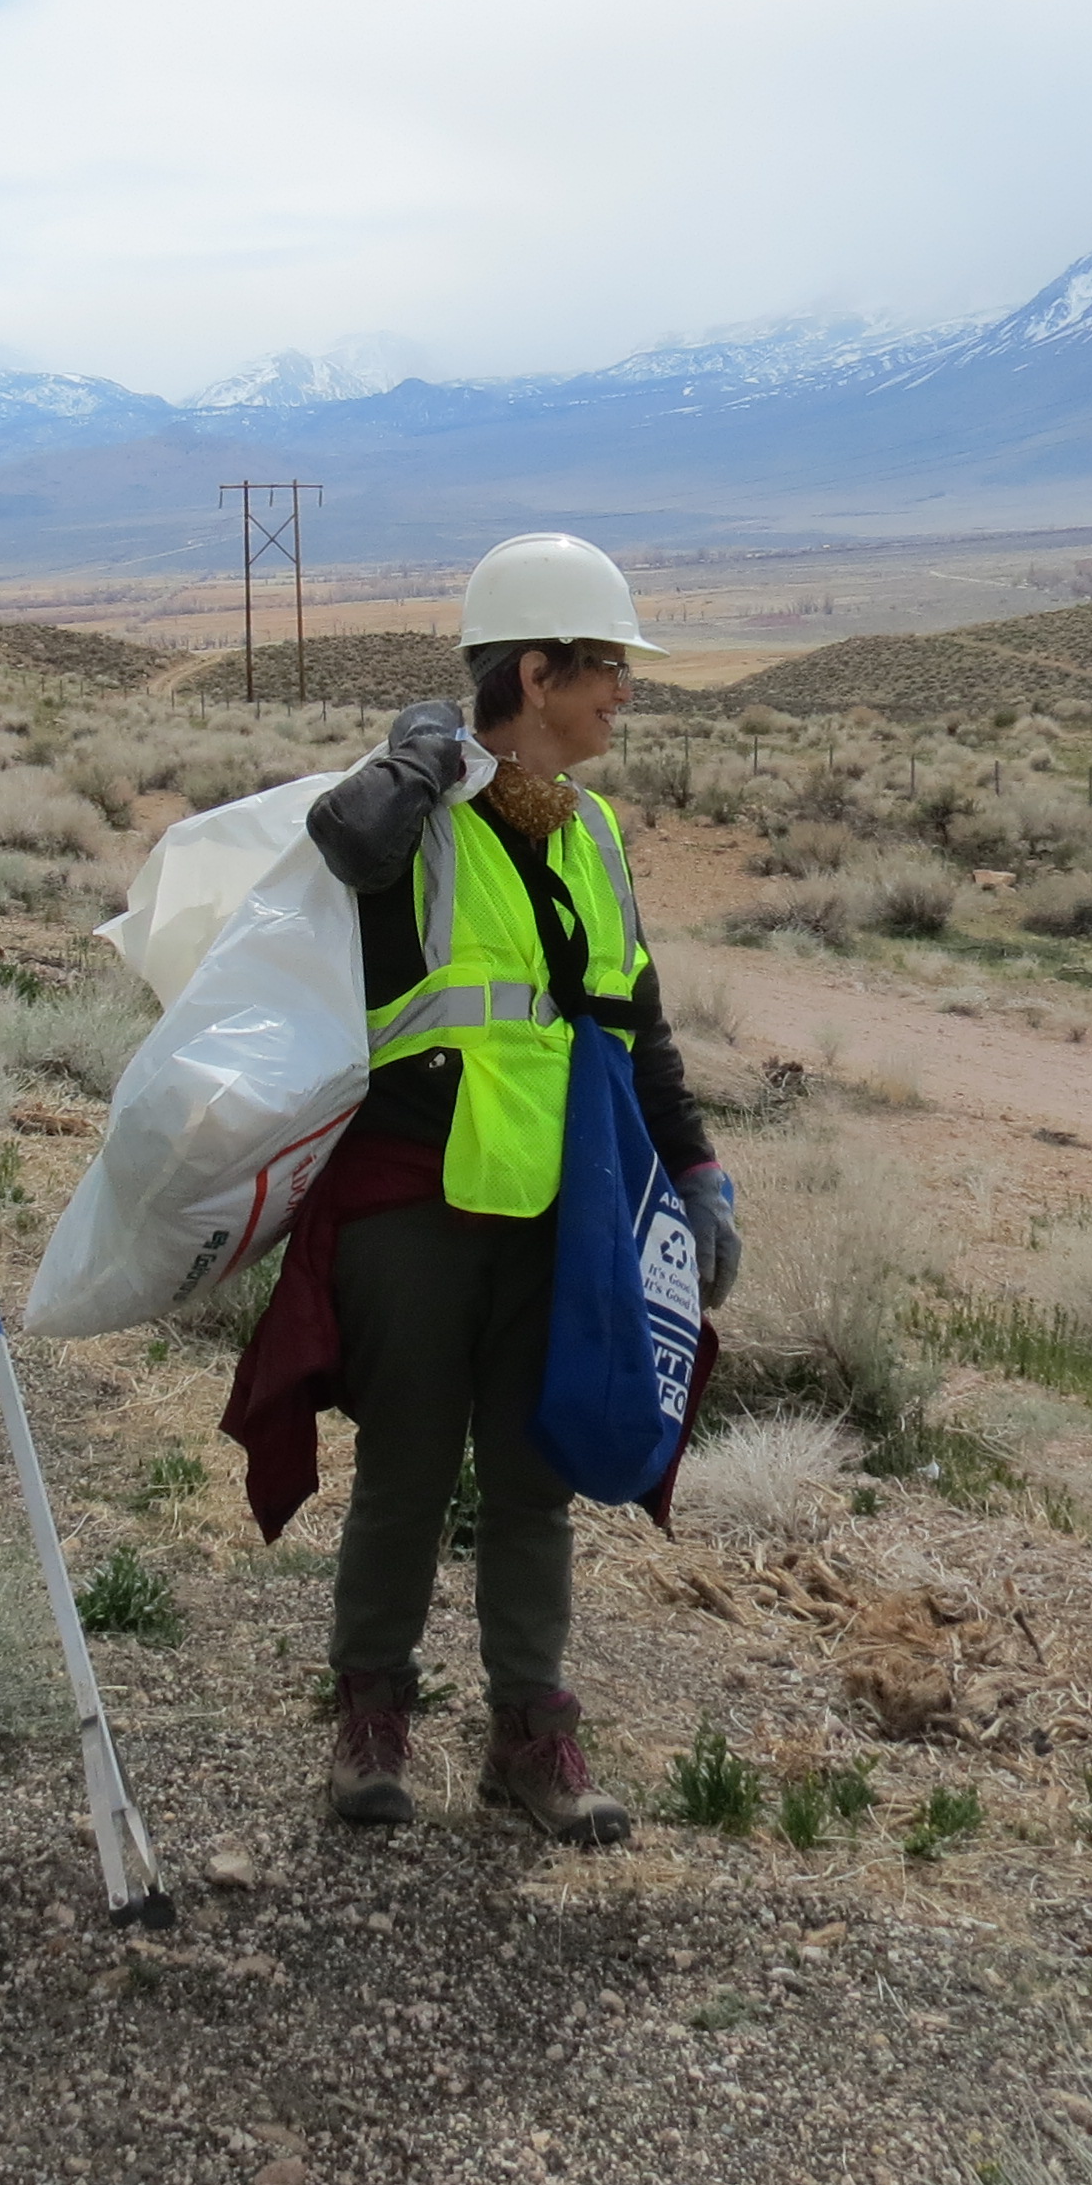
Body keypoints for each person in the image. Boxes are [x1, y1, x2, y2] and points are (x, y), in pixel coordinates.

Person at [221, 533, 739, 1843]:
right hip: (417, 1206)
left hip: (561, 1212)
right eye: (606, 667)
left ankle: (530, 1738)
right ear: (535, 670)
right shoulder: (415, 817)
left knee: (534, 1476)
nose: (625, 692)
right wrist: (420, 751)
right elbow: (345, 845)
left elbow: (638, 1022)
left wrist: (696, 1168)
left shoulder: (599, 836)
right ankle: (370, 1723)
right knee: (404, 1469)